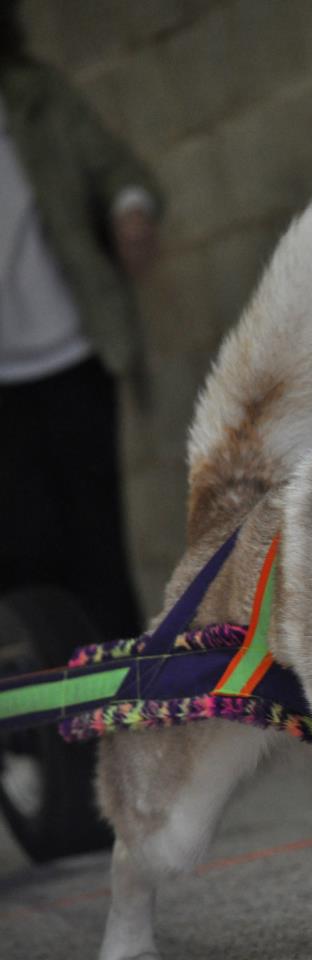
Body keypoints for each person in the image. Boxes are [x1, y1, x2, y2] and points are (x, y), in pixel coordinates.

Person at [0, 0, 162, 643]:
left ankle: (134, 711)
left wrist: (131, 211)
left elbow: (117, 171)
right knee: (25, 555)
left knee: (96, 548)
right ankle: (62, 728)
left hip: (72, 356)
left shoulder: (33, 96)